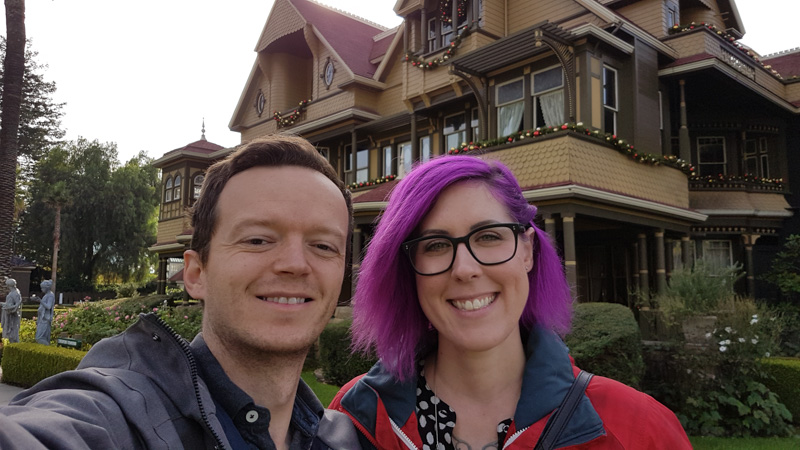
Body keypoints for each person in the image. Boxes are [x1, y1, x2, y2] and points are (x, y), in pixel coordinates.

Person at [0, 135, 360, 449]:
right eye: (257, 239)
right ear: (196, 273)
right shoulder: (120, 414)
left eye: (324, 246)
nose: (295, 264)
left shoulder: (347, 438)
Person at [330, 155, 691, 449]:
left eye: (488, 236)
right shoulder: (355, 419)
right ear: (409, 269)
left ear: (528, 252)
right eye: (436, 245)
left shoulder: (639, 430)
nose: (465, 269)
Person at [32, 280, 56, 345]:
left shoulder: (50, 295)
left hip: (45, 319)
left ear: (46, 288)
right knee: (41, 337)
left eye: (42, 288)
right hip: (42, 318)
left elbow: (48, 306)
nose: (41, 289)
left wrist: (40, 301)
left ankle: (47, 349)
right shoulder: (47, 295)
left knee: (39, 338)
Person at [1, 278, 22, 343]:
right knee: (11, 333)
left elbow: (17, 306)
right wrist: (4, 304)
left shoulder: (15, 293)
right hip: (10, 314)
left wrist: (8, 308)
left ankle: (15, 347)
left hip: (12, 316)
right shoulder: (15, 291)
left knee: (12, 333)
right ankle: (13, 346)